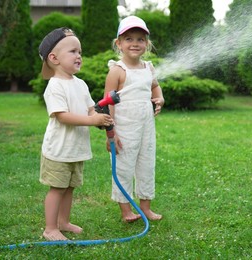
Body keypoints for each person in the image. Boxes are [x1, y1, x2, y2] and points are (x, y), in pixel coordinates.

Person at [38, 28, 113, 241]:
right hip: (59, 150)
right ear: (54, 58)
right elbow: (62, 116)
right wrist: (91, 120)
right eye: (73, 51)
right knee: (57, 189)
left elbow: (90, 109)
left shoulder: (80, 84)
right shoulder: (54, 86)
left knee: (69, 188)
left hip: (76, 149)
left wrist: (100, 120)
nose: (79, 56)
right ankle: (50, 228)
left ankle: (63, 222)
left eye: (80, 51)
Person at [104, 16, 165, 222]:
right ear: (118, 43)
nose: (135, 43)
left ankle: (145, 208)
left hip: (146, 126)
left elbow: (154, 86)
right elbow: (108, 103)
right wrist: (111, 133)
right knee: (124, 167)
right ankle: (126, 211)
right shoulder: (117, 70)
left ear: (147, 44)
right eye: (129, 39)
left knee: (146, 164)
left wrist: (160, 97)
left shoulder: (148, 67)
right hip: (124, 128)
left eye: (140, 39)